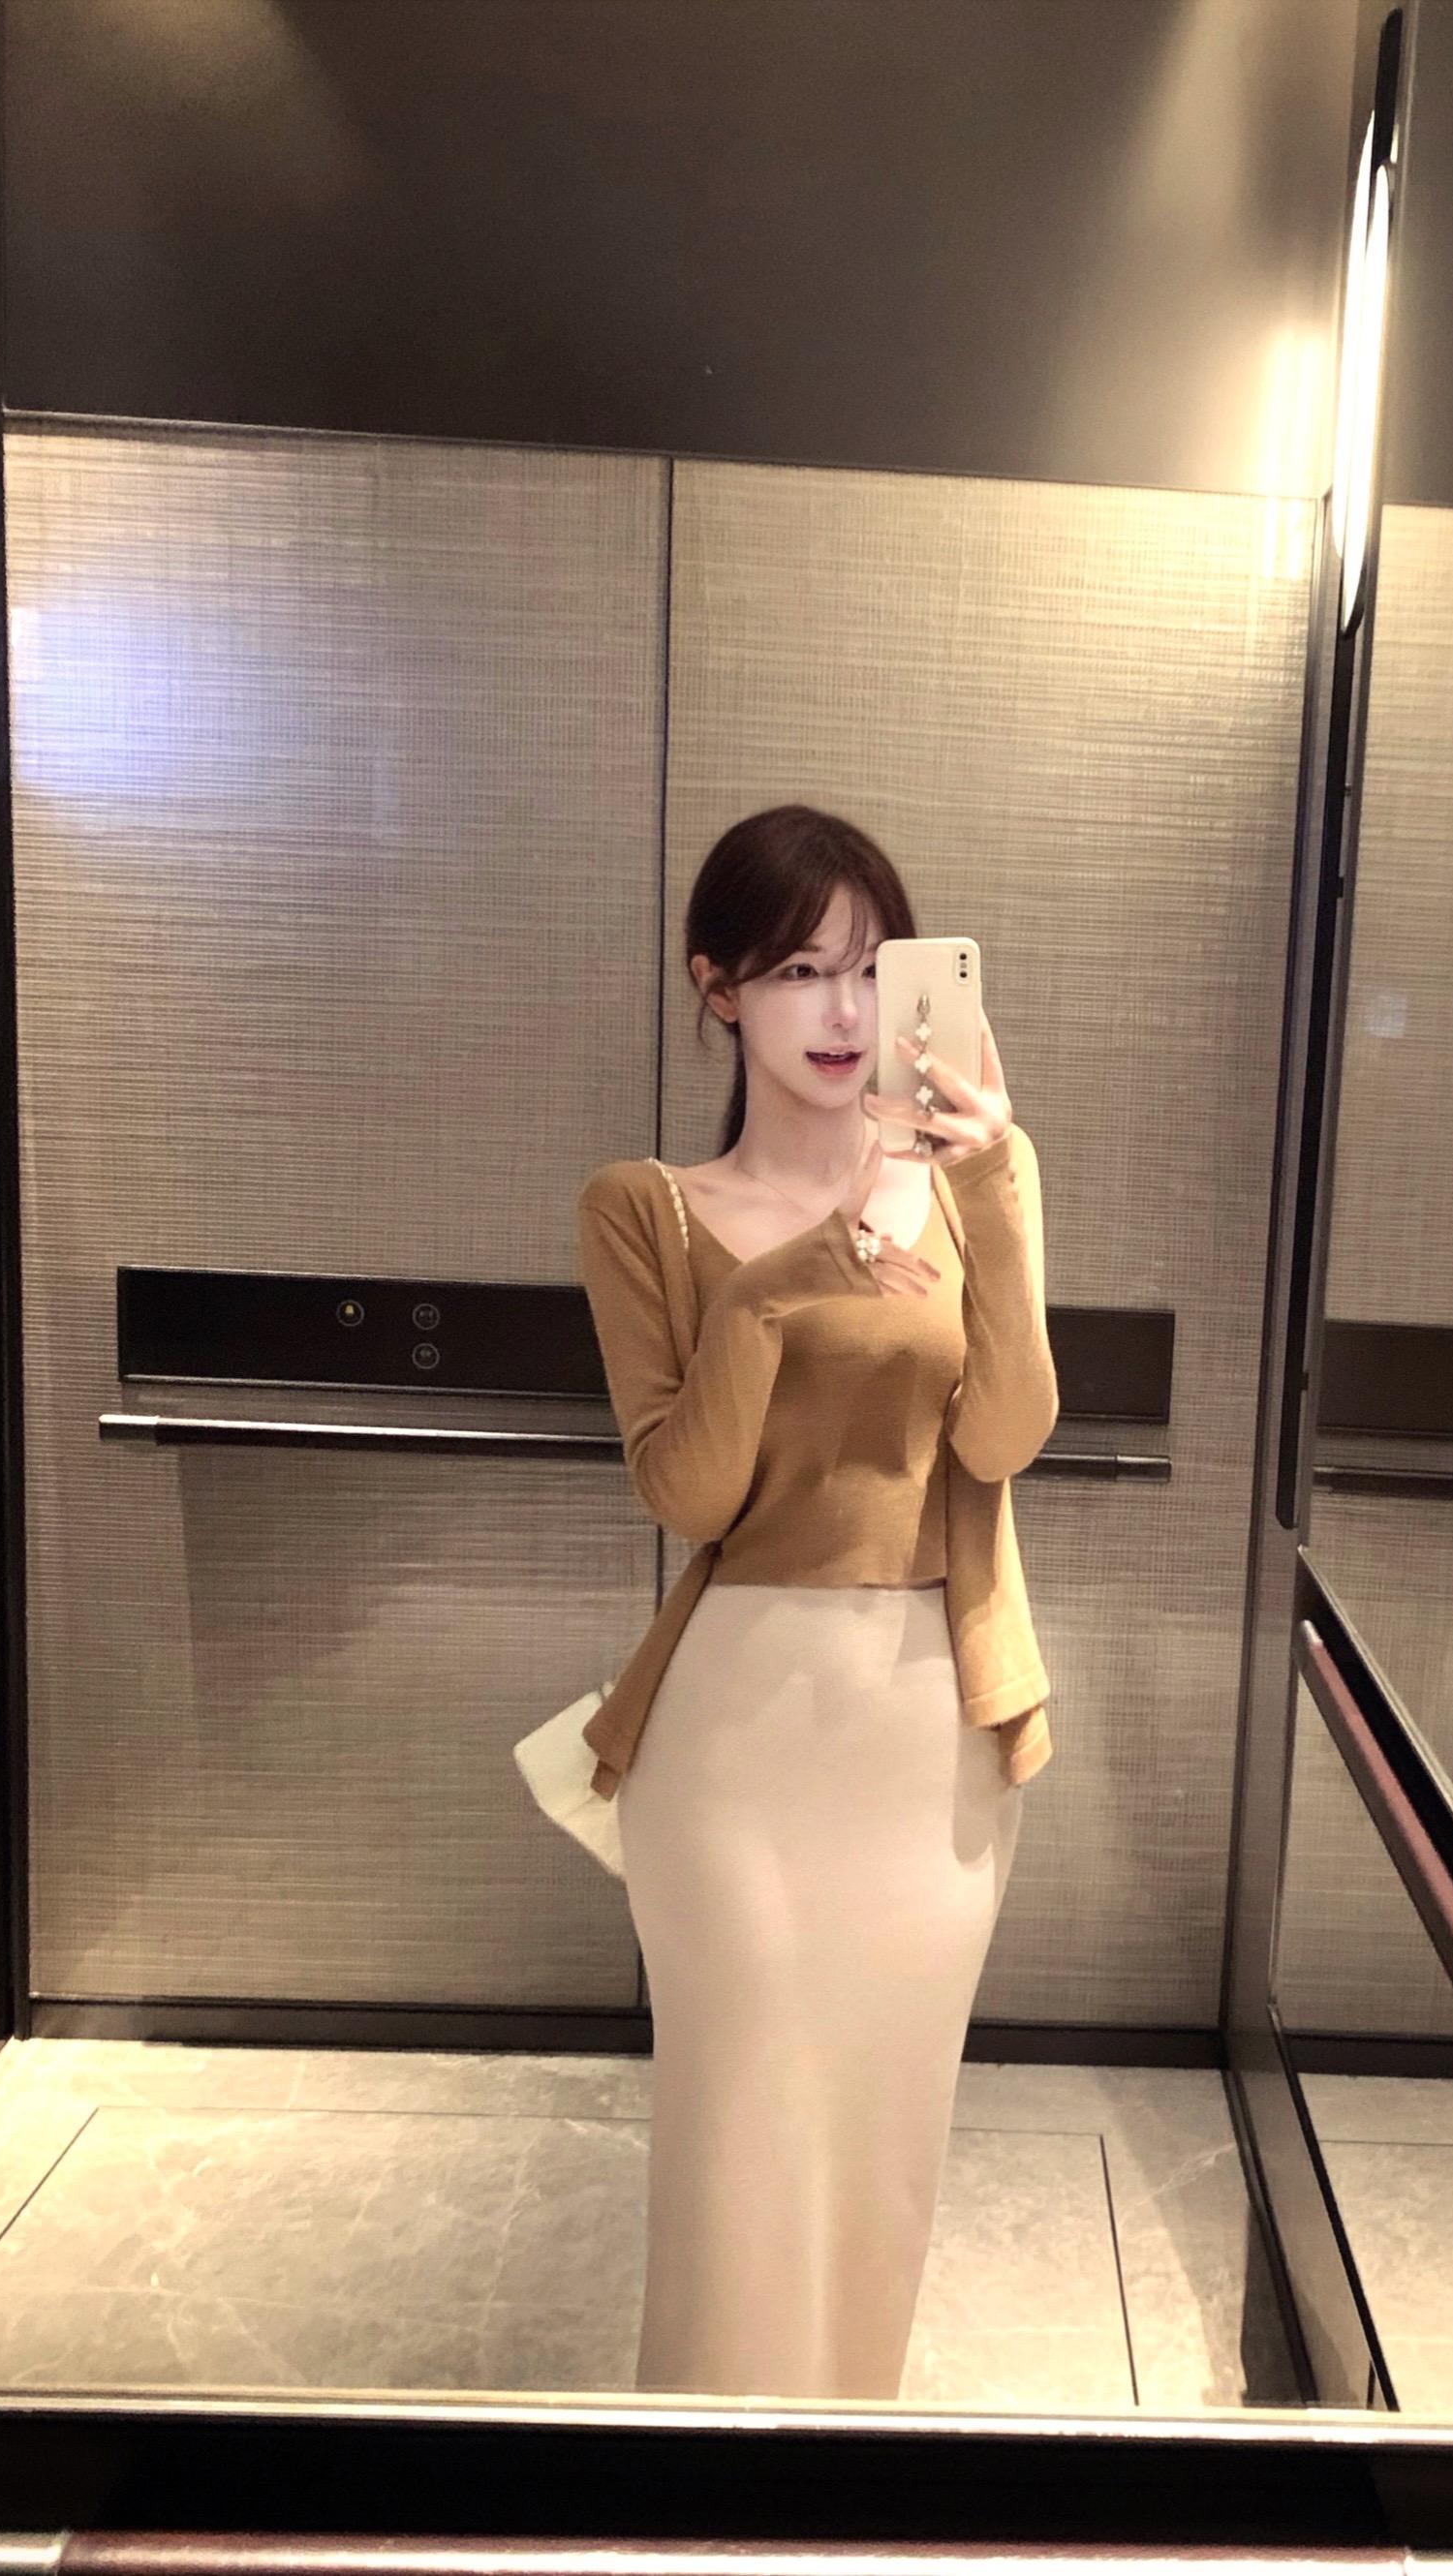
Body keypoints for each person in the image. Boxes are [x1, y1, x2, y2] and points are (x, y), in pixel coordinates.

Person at [574, 803, 1057, 2403]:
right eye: (796, 971)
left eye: (869, 969)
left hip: (931, 1728)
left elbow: (1003, 1439)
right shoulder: (646, 1207)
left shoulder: (977, 1181)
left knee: (886, 2138)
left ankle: (846, 2478)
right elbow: (691, 1494)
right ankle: (694, 2491)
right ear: (717, 987)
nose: (844, 1013)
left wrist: (992, 1195)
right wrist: (787, 1282)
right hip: (734, 1741)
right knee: (736, 2137)